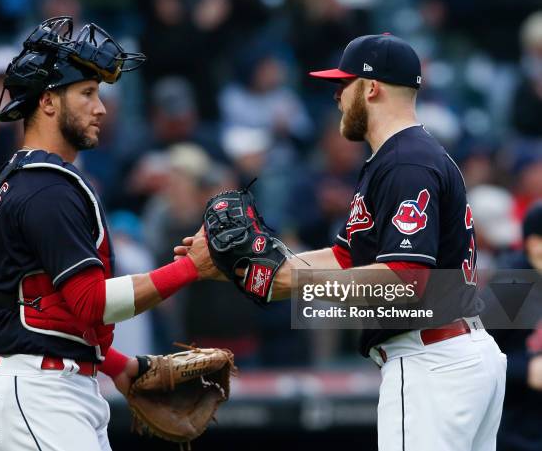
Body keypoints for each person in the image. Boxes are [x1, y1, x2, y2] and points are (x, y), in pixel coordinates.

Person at [177, 34, 506, 451]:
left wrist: (290, 282)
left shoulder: (405, 162)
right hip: (454, 354)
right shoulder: (404, 156)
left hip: (431, 361)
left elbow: (404, 281)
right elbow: (344, 256)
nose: (335, 96)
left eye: (343, 84)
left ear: (371, 88)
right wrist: (251, 269)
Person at [0, 17, 217, 451]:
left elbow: (53, 306)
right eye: (87, 93)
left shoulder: (27, 178)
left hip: (44, 386)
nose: (100, 108)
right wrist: (190, 268)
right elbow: (91, 304)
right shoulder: (46, 188)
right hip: (40, 392)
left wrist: (118, 365)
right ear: (48, 101)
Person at [493, 202, 542, 451]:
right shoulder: (511, 286)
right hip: (515, 431)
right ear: (536, 245)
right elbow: (464, 357)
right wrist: (524, 369)